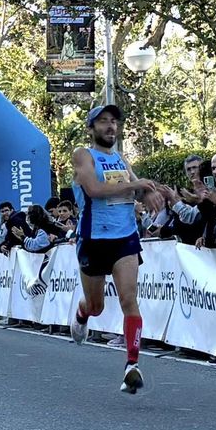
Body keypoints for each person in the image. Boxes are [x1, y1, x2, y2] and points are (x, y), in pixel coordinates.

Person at [70, 104, 170, 394]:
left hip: (125, 238)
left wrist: (149, 191)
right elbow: (93, 190)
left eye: (114, 121)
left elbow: (136, 184)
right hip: (93, 238)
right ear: (92, 128)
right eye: (103, 122)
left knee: (129, 299)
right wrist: (136, 185)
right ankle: (81, 313)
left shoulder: (120, 158)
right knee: (97, 307)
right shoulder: (83, 155)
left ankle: (132, 365)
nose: (110, 126)